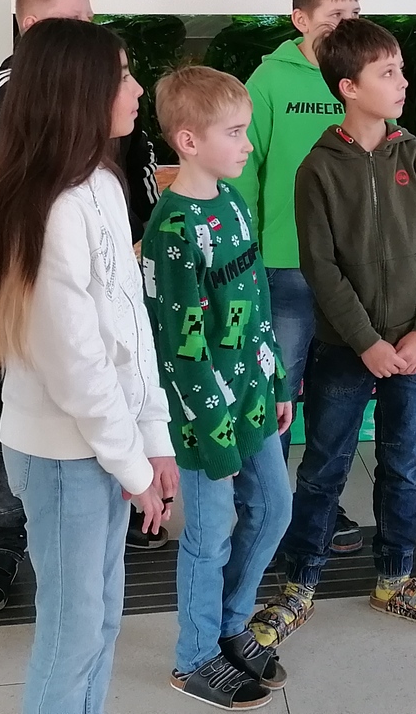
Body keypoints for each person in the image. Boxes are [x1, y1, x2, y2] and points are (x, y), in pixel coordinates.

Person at [0, 0, 167, 614]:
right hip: (32, 299)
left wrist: (134, 247)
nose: (90, 33)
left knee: (104, 394)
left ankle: (128, 498)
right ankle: (1, 542)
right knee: (22, 409)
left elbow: (137, 169)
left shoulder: (102, 127)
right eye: (75, 22)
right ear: (34, 28)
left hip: (101, 281)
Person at [0, 18, 177, 714]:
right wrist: (133, 466)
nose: (137, 90)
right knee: (73, 628)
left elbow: (130, 326)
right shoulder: (49, 207)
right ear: (77, 92)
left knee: (101, 618)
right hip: (62, 454)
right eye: (122, 76)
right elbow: (76, 364)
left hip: (102, 444)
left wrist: (153, 438)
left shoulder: (101, 183)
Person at [253, 18, 416, 645]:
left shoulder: (415, 157)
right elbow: (320, 268)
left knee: (403, 464)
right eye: (387, 73)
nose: (402, 82)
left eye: (401, 69)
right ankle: (299, 584)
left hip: (414, 349)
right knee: (324, 466)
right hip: (346, 349)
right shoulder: (317, 167)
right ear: (349, 87)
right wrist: (366, 341)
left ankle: (395, 578)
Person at [144, 67, 294, 709]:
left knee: (274, 509)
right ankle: (194, 658)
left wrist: (276, 377)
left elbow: (255, 301)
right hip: (204, 418)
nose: (247, 144)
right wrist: (212, 431)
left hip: (253, 396)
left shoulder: (232, 202)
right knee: (209, 537)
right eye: (234, 132)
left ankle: (232, 626)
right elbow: (178, 345)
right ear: (188, 141)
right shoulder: (172, 230)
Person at [229, 0, 366, 555]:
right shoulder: (268, 81)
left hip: (353, 271)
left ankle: (319, 509)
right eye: (334, 16)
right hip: (284, 268)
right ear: (300, 20)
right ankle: (263, 512)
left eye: (353, 14)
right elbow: (243, 171)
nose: (345, 25)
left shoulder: (363, 75)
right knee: (274, 398)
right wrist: (246, 259)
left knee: (338, 401)